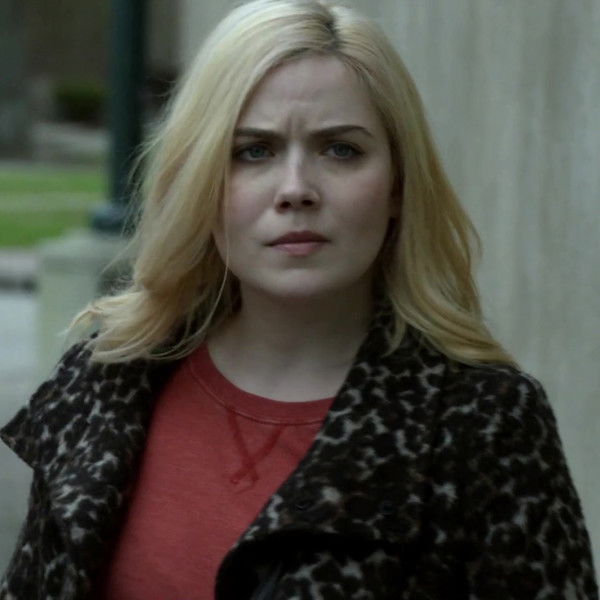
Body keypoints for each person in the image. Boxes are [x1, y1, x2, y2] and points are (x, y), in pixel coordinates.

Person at [1, 0, 597, 598]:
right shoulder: (105, 382)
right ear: (200, 180)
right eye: (253, 151)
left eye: (340, 150)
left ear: (398, 184)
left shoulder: (485, 423)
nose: (296, 190)